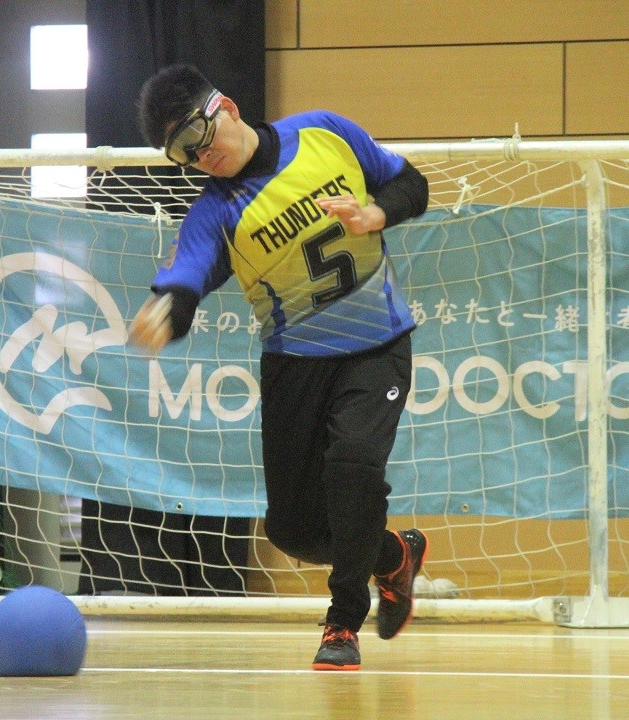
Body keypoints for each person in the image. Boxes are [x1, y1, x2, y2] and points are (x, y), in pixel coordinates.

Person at [129, 63, 430, 671]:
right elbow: (186, 281)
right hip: (294, 365)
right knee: (293, 531)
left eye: (197, 136)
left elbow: (411, 184)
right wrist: (165, 311)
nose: (201, 157)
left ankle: (343, 621)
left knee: (353, 467)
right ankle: (393, 556)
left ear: (226, 108)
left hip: (377, 346)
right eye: (183, 155)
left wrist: (377, 213)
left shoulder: (325, 133)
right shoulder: (215, 213)